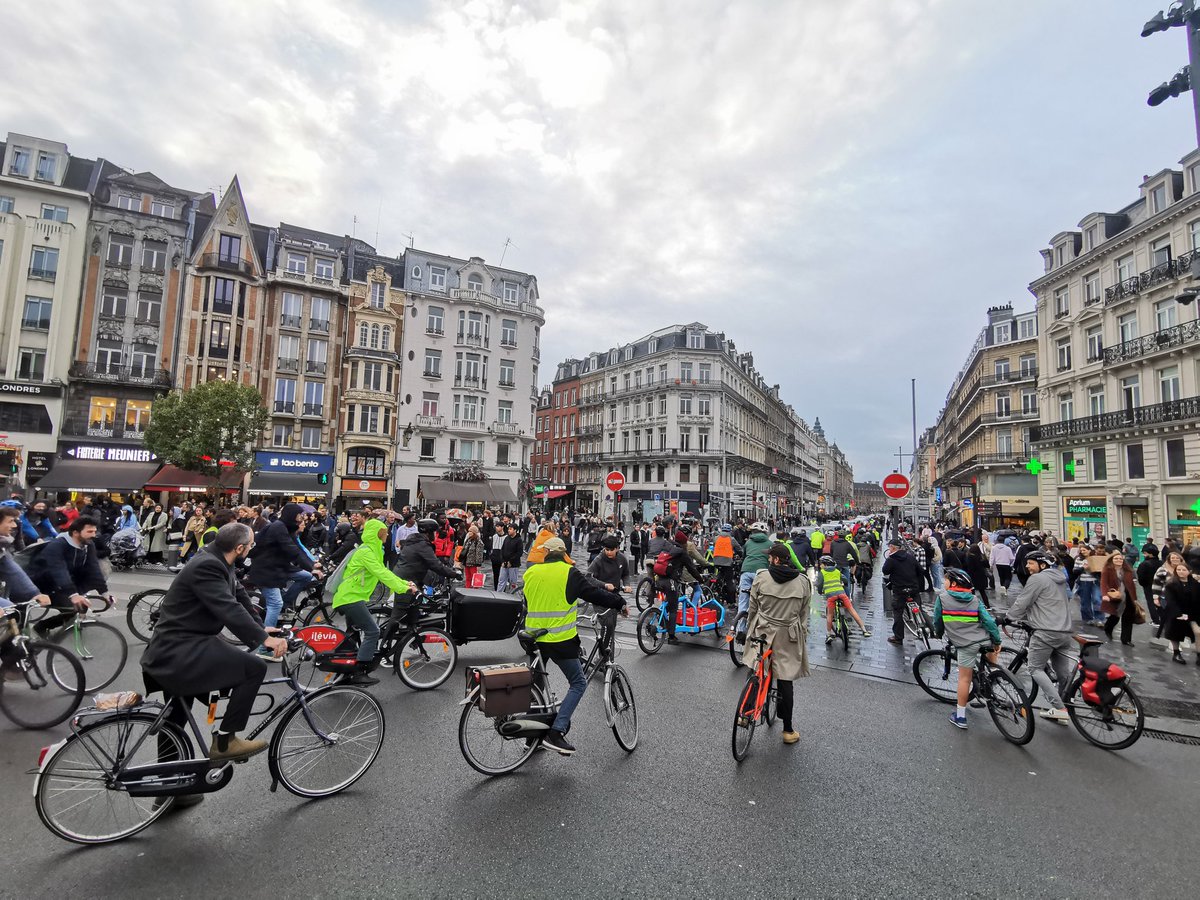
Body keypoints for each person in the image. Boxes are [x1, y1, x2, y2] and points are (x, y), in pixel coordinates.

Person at [142, 523, 287, 763]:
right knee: (254, 668)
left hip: (182, 645)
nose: (251, 550)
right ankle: (225, 741)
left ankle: (170, 789)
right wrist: (265, 640)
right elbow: (227, 608)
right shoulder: (208, 565)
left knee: (176, 717)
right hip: (180, 648)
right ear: (239, 547)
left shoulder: (217, 558)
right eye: (250, 546)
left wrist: (261, 628)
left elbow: (239, 597)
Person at [522, 537, 626, 755]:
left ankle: (532, 735)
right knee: (578, 683)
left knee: (536, 685)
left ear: (546, 554)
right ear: (564, 553)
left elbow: (529, 602)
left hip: (533, 638)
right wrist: (619, 602)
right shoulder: (569, 573)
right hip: (559, 639)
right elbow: (593, 593)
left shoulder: (531, 573)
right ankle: (556, 731)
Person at [331, 518, 414, 685]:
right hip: (351, 597)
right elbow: (381, 573)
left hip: (352, 596)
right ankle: (360, 672)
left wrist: (404, 583)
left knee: (352, 635)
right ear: (376, 533)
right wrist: (403, 588)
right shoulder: (366, 551)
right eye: (384, 531)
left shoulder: (374, 550)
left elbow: (384, 571)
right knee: (372, 631)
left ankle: (343, 673)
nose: (388, 533)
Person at [743, 543, 812, 744]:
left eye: (770, 557)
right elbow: (803, 614)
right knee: (785, 679)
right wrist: (802, 635)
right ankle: (788, 731)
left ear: (774, 560)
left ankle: (743, 715)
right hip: (787, 634)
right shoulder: (803, 582)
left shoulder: (762, 577)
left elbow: (752, 607)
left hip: (763, 629)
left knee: (756, 667)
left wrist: (750, 629)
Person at [1004, 552, 1075, 724]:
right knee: (1063, 673)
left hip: (1045, 631)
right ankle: (1064, 708)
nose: (1027, 566)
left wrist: (1008, 618)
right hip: (1064, 631)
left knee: (1035, 668)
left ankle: (1060, 708)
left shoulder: (1038, 579)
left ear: (1042, 565)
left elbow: (1023, 602)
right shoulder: (1060, 579)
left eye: (1030, 563)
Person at [931, 567, 1003, 729]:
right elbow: (989, 622)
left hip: (965, 643)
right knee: (991, 661)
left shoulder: (942, 598)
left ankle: (961, 717)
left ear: (954, 583)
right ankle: (995, 679)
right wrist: (997, 640)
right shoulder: (974, 599)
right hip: (984, 639)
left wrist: (938, 633)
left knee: (965, 679)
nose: (944, 583)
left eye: (946, 580)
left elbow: (937, 621)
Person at [245, 503, 320, 640]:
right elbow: (291, 550)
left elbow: (298, 548)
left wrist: (312, 564)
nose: (301, 518)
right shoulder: (278, 527)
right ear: (292, 515)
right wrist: (312, 567)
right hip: (266, 570)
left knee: (305, 576)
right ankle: (266, 645)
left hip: (279, 567)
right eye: (299, 515)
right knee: (275, 604)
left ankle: (286, 603)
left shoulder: (287, 528)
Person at [27, 516, 107, 636]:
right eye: (90, 531)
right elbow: (58, 570)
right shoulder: (57, 545)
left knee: (78, 606)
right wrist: (73, 594)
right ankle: (32, 632)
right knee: (71, 607)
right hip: (42, 584)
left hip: (61, 584)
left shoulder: (88, 545)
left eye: (95, 531)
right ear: (75, 532)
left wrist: (105, 592)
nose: (93, 535)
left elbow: (93, 568)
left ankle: (42, 627)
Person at [654, 529, 705, 645]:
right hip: (670, 581)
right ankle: (671, 637)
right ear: (684, 543)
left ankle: (662, 623)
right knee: (673, 608)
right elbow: (692, 569)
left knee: (666, 603)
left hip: (659, 579)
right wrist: (700, 580)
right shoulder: (682, 553)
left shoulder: (667, 546)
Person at [816, 555, 870, 643]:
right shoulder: (837, 571)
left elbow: (820, 584)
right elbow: (845, 580)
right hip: (842, 594)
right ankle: (864, 630)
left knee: (830, 615)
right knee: (852, 610)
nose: (820, 565)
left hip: (830, 596)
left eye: (821, 564)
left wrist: (820, 591)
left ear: (825, 565)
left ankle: (829, 634)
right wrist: (842, 584)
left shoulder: (822, 572)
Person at [394, 518, 462, 587]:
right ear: (428, 533)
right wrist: (454, 574)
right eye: (435, 532)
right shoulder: (422, 545)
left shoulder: (416, 540)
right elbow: (435, 564)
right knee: (409, 597)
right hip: (408, 580)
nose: (436, 534)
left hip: (406, 577)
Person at [882, 537, 922, 646]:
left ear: (892, 547)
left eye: (889, 547)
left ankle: (898, 637)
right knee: (919, 608)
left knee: (898, 612)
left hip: (900, 589)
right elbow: (920, 570)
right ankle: (924, 626)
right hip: (913, 588)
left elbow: (885, 570)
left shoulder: (891, 559)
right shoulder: (910, 557)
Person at [736, 523, 773, 639]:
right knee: (764, 601)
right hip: (761, 573)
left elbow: (744, 556)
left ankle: (740, 630)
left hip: (746, 571)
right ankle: (760, 629)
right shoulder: (769, 544)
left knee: (743, 601)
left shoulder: (748, 542)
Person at [1160, 560, 1200, 665]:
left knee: (1198, 632)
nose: (1181, 572)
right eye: (1178, 570)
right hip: (1176, 613)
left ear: (1189, 571)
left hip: (1192, 613)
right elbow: (1170, 600)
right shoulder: (1171, 584)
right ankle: (1176, 653)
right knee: (1175, 633)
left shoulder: (1195, 584)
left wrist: (1192, 614)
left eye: (1183, 570)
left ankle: (1199, 654)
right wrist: (1178, 614)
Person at [1100, 551, 1139, 646]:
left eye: (1120, 559)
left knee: (1128, 617)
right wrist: (1105, 594)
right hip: (1115, 595)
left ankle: (1126, 639)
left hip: (1128, 596)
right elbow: (1103, 583)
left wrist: (1134, 598)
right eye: (1116, 559)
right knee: (1115, 615)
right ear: (1112, 560)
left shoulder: (1128, 570)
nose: (1119, 560)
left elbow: (1132, 585)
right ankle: (1108, 628)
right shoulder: (1107, 569)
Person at [1073, 544, 1103, 627]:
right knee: (1085, 601)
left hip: (1095, 581)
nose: (1082, 552)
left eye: (1084, 550)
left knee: (1097, 600)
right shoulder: (1079, 559)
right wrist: (1083, 568)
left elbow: (1101, 570)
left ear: (1090, 550)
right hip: (1084, 581)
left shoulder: (1095, 558)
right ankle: (1088, 619)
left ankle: (1099, 619)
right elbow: (1075, 571)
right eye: (1081, 550)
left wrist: (1094, 569)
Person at [1137, 545, 1161, 627]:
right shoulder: (1161, 562)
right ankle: (1162, 618)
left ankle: (1156, 620)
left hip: (1148, 586)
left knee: (1151, 602)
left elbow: (1141, 578)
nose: (1144, 555)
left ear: (1150, 554)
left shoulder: (1144, 564)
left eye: (1145, 553)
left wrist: (1144, 584)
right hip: (1160, 586)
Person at [497, 522, 524, 591]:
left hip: (514, 564)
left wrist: (511, 561)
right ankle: (499, 595)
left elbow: (519, 553)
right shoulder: (507, 538)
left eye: (510, 529)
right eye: (508, 529)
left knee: (513, 583)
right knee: (501, 581)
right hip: (504, 563)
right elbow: (502, 550)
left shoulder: (519, 540)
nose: (509, 530)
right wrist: (502, 561)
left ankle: (512, 596)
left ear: (515, 530)